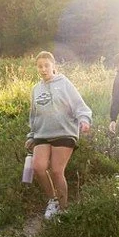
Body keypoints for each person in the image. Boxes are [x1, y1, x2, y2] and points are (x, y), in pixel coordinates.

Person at [26, 51, 93, 220]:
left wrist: (84, 120)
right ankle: (53, 200)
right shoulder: (36, 89)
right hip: (42, 133)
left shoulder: (64, 83)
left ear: (53, 66)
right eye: (40, 66)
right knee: (38, 167)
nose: (43, 69)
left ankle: (64, 210)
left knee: (56, 170)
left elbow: (80, 105)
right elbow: (34, 115)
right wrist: (31, 135)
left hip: (64, 132)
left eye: (46, 65)